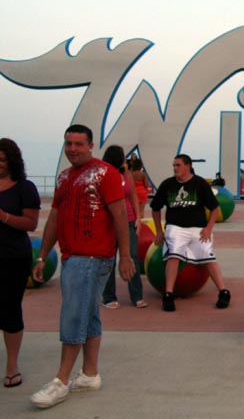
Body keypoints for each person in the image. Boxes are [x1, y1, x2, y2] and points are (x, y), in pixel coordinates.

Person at [30, 125, 135, 409]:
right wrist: (42, 256)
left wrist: (125, 256)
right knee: (88, 315)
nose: (73, 149)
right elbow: (54, 218)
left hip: (92, 257)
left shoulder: (106, 174)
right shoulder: (64, 177)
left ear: (91, 145)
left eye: (79, 144)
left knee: (73, 315)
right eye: (68, 143)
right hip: (70, 255)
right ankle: (89, 374)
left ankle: (61, 380)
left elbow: (120, 215)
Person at [150, 154, 230, 312]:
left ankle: (223, 292)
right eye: (174, 165)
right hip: (176, 227)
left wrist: (208, 229)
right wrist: (159, 231)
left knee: (207, 254)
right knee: (174, 254)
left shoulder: (199, 183)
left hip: (198, 228)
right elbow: (155, 208)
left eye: (178, 165)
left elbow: (214, 208)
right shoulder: (167, 184)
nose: (175, 168)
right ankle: (168, 294)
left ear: (187, 166)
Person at [0, 138, 40, 389]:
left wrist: (3, 216)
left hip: (12, 258)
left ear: (12, 161)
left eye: (2, 160)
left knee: (9, 309)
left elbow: (31, 223)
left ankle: (12, 365)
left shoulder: (25, 187)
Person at [101, 146, 147, 310]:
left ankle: (137, 296)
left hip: (128, 220)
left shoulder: (126, 173)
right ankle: (108, 296)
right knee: (109, 259)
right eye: (122, 157)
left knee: (132, 256)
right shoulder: (104, 174)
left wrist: (138, 218)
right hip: (109, 222)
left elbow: (133, 195)